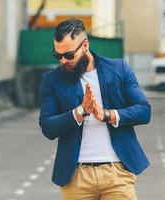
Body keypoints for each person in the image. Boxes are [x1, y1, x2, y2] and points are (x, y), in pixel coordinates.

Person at [39, 19, 151, 200]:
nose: (63, 61)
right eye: (57, 56)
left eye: (68, 55)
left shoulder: (119, 69)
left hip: (117, 173)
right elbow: (48, 126)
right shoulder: (52, 80)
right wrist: (80, 112)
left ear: (85, 45)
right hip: (76, 176)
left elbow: (144, 111)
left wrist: (107, 114)